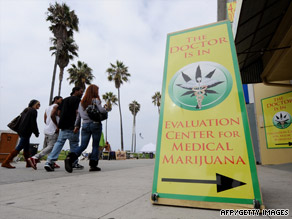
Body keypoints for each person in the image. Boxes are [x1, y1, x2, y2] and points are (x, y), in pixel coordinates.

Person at [64, 84, 108, 173]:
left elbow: (78, 116)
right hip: (95, 124)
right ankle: (93, 165)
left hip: (85, 125)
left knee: (83, 145)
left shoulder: (81, 102)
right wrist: (106, 108)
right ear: (95, 91)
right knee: (95, 145)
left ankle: (70, 158)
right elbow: (101, 110)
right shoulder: (95, 100)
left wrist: (77, 126)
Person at [44, 87, 84, 171]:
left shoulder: (64, 100)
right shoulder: (77, 100)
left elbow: (58, 112)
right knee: (74, 144)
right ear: (76, 91)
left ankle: (49, 161)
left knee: (59, 143)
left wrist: (62, 120)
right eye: (81, 91)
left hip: (63, 125)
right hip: (73, 125)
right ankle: (73, 162)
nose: (82, 93)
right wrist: (77, 125)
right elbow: (78, 112)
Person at [2, 100, 40, 168]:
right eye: (38, 104)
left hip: (21, 130)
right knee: (20, 147)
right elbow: (33, 123)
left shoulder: (26, 110)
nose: (39, 106)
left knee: (26, 147)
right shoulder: (33, 111)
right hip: (26, 131)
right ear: (34, 104)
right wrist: (36, 132)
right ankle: (6, 162)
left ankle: (28, 163)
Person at [28, 96, 63, 170]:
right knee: (52, 146)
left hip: (47, 129)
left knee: (49, 147)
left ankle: (52, 162)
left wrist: (49, 124)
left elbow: (45, 119)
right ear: (56, 100)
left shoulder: (48, 108)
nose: (62, 101)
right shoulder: (56, 106)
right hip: (53, 130)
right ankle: (35, 157)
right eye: (61, 100)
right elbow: (52, 115)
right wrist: (57, 126)